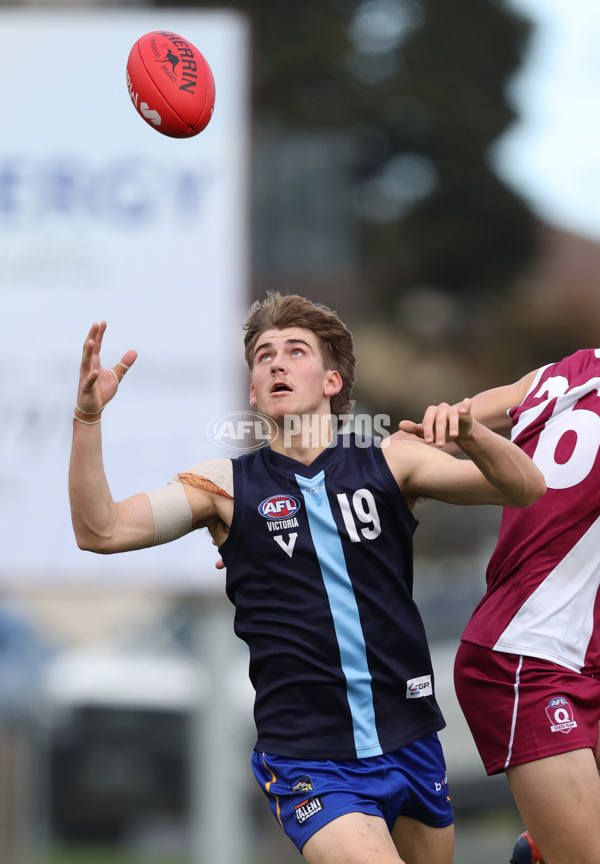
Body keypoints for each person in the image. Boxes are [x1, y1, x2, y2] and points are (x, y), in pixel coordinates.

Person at [68, 293, 545, 864]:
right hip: (310, 759)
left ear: (332, 381)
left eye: (296, 352)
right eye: (264, 356)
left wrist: (473, 434)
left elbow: (525, 489)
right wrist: (87, 418)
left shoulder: (393, 460)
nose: (276, 363)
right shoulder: (224, 486)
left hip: (411, 736)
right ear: (252, 391)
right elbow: (101, 530)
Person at [399, 347, 600, 864]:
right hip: (528, 655)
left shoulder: (569, 371)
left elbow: (455, 419)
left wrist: (432, 429)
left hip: (577, 655)